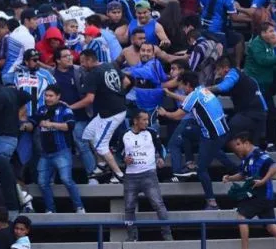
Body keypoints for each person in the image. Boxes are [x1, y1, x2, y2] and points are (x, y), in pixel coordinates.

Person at [158, 71, 234, 210]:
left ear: (188, 85)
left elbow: (177, 116)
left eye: (182, 87)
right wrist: (171, 94)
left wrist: (165, 113)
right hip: (222, 130)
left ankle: (212, 202)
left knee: (202, 169)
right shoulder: (203, 90)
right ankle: (190, 163)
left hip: (212, 135)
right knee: (188, 133)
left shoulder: (193, 96)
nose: (182, 89)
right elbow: (187, 100)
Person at [223, 132, 276, 249]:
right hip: (261, 196)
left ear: (246, 143)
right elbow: (242, 174)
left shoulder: (259, 154)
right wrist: (229, 178)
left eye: (238, 144)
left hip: (262, 195)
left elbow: (275, 167)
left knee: (242, 216)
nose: (236, 147)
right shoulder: (246, 158)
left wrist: (263, 181)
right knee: (271, 226)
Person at [69, 49, 129, 183]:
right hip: (111, 110)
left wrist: (70, 107)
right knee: (88, 134)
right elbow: (126, 82)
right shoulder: (110, 65)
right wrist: (119, 95)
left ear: (90, 60)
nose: (82, 65)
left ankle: (119, 174)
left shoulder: (93, 74)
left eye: (83, 61)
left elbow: (89, 99)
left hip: (111, 114)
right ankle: (102, 164)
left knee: (101, 145)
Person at [32, 85, 85, 213]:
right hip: (45, 154)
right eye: (46, 95)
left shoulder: (65, 110)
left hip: (61, 151)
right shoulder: (41, 110)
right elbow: (34, 121)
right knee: (42, 182)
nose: (48, 98)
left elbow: (70, 126)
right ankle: (50, 209)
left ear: (58, 96)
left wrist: (51, 124)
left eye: (51, 96)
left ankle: (80, 207)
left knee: (66, 180)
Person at [122, 110, 172, 241]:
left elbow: (161, 148)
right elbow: (119, 153)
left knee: (158, 204)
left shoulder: (152, 132)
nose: (146, 122)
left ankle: (167, 235)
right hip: (131, 176)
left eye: (147, 119)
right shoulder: (125, 135)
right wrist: (124, 159)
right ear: (135, 121)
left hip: (149, 174)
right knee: (129, 207)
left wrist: (161, 158)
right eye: (143, 119)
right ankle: (132, 237)